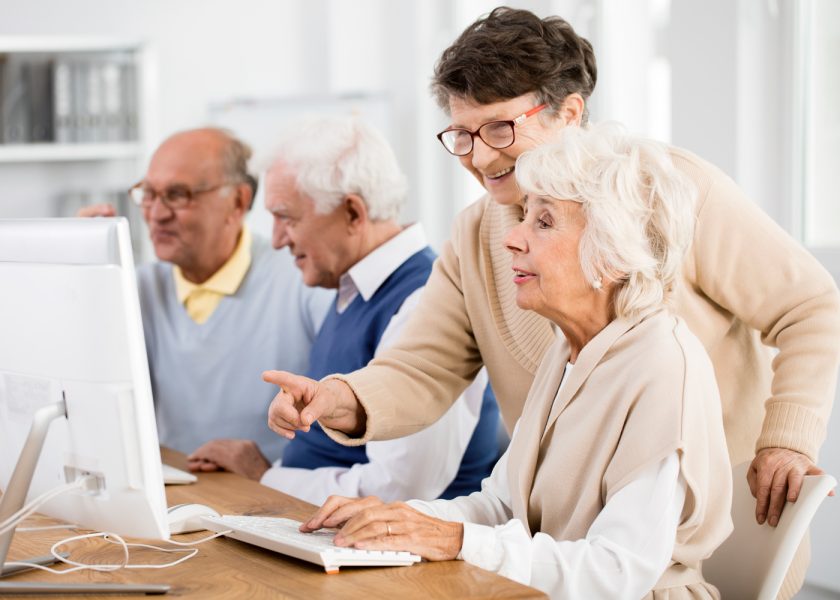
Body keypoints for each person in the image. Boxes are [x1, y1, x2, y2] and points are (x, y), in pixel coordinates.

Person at [264, 8, 840, 597]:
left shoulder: (671, 196)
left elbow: (811, 305)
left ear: (570, 112)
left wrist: (786, 440)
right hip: (555, 554)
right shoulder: (482, 245)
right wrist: (339, 397)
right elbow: (422, 368)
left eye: (499, 128)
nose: (480, 157)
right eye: (462, 133)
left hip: (690, 544)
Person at [300, 124, 733, 599]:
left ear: (614, 254)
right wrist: (398, 519)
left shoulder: (663, 364)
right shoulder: (569, 350)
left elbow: (617, 570)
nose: (513, 238)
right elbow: (503, 505)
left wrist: (456, 540)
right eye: (525, 216)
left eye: (543, 223)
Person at [188, 116, 500, 504]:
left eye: (287, 217)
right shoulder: (351, 289)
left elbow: (394, 491)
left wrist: (263, 476)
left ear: (353, 213)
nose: (279, 239)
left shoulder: (424, 300)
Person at [80, 127, 332, 463]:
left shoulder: (303, 277)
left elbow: (345, 417)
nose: (156, 214)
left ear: (238, 202)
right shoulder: (133, 287)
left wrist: (271, 474)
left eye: (178, 194)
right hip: (173, 494)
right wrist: (82, 280)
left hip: (273, 495)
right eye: (149, 194)